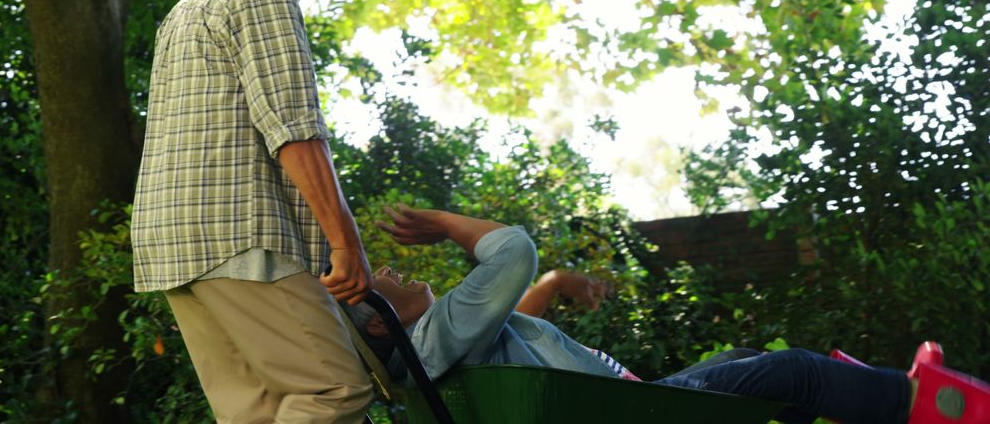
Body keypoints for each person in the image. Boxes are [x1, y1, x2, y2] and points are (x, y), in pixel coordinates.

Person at [347, 204, 990, 424]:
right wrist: (441, 225)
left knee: (743, 364)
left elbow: (512, 325)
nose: (395, 270)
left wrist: (553, 283)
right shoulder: (431, 337)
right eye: (383, 278)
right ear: (379, 322)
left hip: (626, 404)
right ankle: (932, 407)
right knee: (790, 372)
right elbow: (511, 249)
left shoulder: (435, 354)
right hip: (634, 412)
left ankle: (874, 401)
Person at [131, 0, 373, 423]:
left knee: (255, 412)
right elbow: (292, 126)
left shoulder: (192, 3)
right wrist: (346, 244)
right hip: (238, 236)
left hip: (174, 248)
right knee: (333, 392)